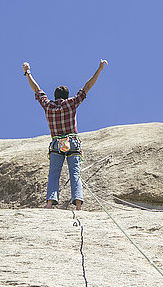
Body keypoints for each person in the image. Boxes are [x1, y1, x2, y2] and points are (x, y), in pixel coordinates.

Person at [22, 59, 108, 210]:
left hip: (56, 143)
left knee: (54, 174)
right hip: (72, 142)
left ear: (55, 96)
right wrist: (99, 69)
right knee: (75, 173)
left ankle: (50, 204)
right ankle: (78, 206)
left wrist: (27, 72)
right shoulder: (71, 103)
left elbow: (36, 89)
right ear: (67, 96)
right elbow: (87, 87)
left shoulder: (48, 106)